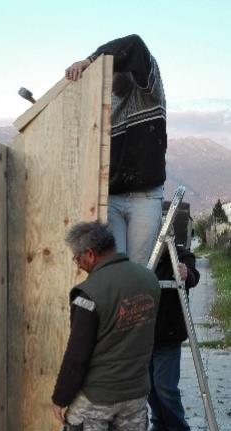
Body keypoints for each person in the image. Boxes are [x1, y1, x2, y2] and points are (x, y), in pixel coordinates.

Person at [49, 221, 160, 431]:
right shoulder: (149, 280)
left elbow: (76, 357)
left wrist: (60, 398)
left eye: (76, 258)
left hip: (93, 399)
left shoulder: (89, 295)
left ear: (91, 254)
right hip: (135, 393)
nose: (76, 264)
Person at [65, 34, 166, 266]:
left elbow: (135, 44)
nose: (109, 76)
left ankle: (137, 302)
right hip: (112, 198)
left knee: (139, 268)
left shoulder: (149, 91)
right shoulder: (104, 109)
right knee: (113, 267)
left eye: (112, 68)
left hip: (145, 196)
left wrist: (89, 61)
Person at [148, 247, 200, 431]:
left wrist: (187, 274)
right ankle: (160, 424)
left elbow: (193, 276)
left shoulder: (181, 254)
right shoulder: (139, 253)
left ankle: (179, 429)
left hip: (168, 335)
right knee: (149, 386)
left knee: (165, 386)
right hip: (143, 335)